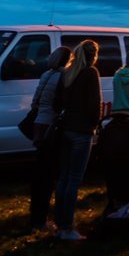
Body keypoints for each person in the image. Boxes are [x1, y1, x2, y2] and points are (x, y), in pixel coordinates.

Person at [50, 39, 102, 241]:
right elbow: (94, 105)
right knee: (74, 180)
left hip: (65, 130)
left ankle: (58, 223)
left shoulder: (66, 73)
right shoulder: (90, 73)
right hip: (82, 132)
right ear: (93, 56)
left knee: (63, 178)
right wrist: (94, 125)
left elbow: (56, 103)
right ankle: (67, 227)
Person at [28, 47, 71, 230]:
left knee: (39, 174)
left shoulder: (46, 75)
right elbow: (61, 103)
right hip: (50, 127)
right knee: (50, 174)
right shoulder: (64, 77)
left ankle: (34, 213)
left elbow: (34, 102)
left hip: (38, 125)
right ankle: (42, 218)